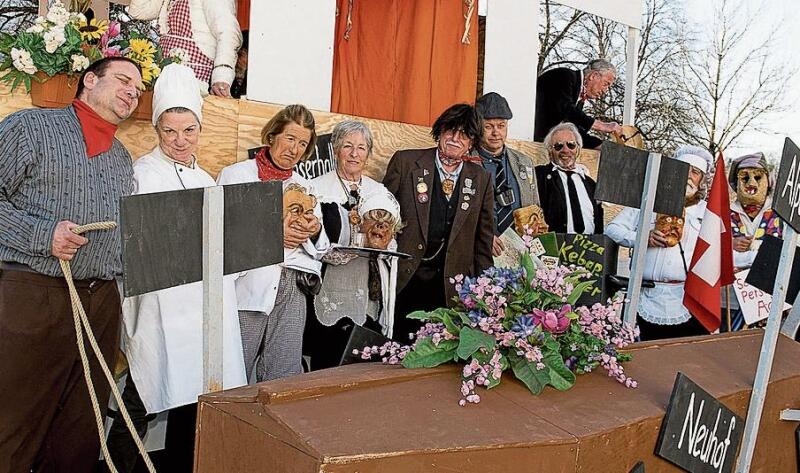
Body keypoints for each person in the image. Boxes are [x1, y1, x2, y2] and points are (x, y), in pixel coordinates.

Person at [0, 57, 142, 473]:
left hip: (99, 303)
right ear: (89, 79)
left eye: (138, 86)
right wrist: (42, 235)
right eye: (123, 79)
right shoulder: (29, 127)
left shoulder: (122, 157)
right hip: (35, 296)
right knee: (13, 422)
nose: (133, 90)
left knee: (80, 431)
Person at [105, 64, 247, 473]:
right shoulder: (140, 175)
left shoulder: (208, 180)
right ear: (157, 129)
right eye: (170, 130)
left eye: (188, 131)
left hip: (203, 311)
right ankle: (117, 465)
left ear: (200, 131)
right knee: (146, 390)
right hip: (160, 307)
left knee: (197, 395)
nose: (179, 140)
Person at [216, 104, 330, 382]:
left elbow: (321, 246)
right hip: (248, 286)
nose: (294, 149)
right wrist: (271, 236)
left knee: (283, 373)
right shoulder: (236, 175)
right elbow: (220, 230)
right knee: (233, 371)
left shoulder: (307, 186)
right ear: (272, 135)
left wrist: (313, 231)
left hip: (292, 288)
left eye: (303, 143)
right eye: (290, 138)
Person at [383, 103, 494, 342]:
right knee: (397, 357)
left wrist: (485, 292)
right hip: (405, 281)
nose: (455, 139)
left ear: (472, 142)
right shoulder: (405, 163)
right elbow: (382, 222)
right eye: (450, 131)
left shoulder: (481, 179)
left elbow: (483, 242)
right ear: (440, 131)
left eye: (464, 135)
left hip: (452, 290)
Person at [606, 145, 712, 341]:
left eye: (695, 172)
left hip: (686, 300)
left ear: (702, 180)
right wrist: (642, 238)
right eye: (683, 168)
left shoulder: (708, 213)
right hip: (645, 297)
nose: (688, 175)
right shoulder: (648, 200)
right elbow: (612, 229)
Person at [305, 191, 403, 369]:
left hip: (367, 312)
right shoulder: (343, 231)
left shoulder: (390, 250)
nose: (380, 227)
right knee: (328, 364)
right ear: (360, 220)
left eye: (387, 223)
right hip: (333, 312)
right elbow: (325, 253)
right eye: (373, 219)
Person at [473, 92, 544, 255]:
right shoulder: (467, 161)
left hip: (519, 251)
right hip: (479, 251)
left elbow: (535, 206)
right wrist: (481, 237)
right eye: (488, 126)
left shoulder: (524, 162)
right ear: (478, 127)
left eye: (501, 125)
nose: (496, 133)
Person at [129, 0, 242, 96]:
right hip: (166, 82)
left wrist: (222, 77)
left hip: (194, 83)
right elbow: (138, 11)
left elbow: (228, 33)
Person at [727, 152, 784, 330]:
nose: (751, 184)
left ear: (768, 182)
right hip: (731, 298)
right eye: (745, 178)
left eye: (758, 177)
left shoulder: (781, 214)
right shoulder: (724, 212)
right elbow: (712, 251)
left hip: (768, 297)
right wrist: (730, 244)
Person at [534, 59, 622, 149]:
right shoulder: (564, 76)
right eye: (605, 84)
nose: (605, 91)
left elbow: (572, 129)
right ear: (593, 76)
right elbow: (565, 110)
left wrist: (599, 145)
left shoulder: (578, 96)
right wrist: (602, 126)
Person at [535, 122, 604, 234]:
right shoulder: (539, 176)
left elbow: (599, 223)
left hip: (588, 248)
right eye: (558, 146)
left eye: (571, 145)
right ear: (550, 151)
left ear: (578, 148)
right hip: (554, 248)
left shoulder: (591, 184)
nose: (565, 150)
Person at [312, 120, 388, 209]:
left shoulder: (378, 191)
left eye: (361, 148)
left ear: (368, 155)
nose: (354, 154)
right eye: (347, 146)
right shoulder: (315, 188)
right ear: (336, 151)